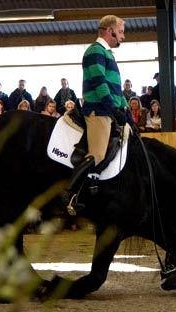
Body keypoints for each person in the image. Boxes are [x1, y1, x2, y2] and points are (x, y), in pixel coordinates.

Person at [65, 14, 128, 207]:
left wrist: (125, 107)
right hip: (99, 111)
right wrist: (111, 106)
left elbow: (115, 87)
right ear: (110, 31)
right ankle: (69, 195)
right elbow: (99, 81)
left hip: (109, 110)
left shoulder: (108, 54)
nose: (123, 36)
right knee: (98, 154)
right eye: (121, 32)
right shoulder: (95, 51)